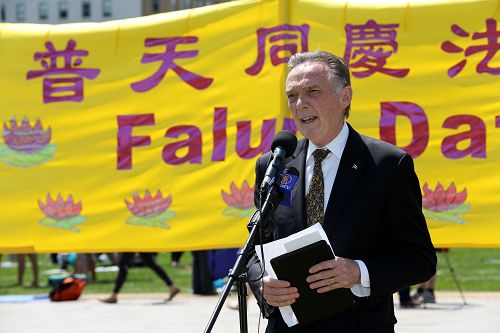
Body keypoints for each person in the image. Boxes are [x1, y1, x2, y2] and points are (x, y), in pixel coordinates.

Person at [247, 51, 437, 332]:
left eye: (312, 91)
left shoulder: (386, 165)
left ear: (344, 96)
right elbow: (254, 248)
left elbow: (420, 260)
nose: (300, 104)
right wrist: (261, 283)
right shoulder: (275, 165)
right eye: (292, 96)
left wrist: (358, 271)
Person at [101, 252, 179, 304]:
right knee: (150, 263)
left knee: (123, 264)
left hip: (134, 238)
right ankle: (172, 286)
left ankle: (114, 295)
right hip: (138, 237)